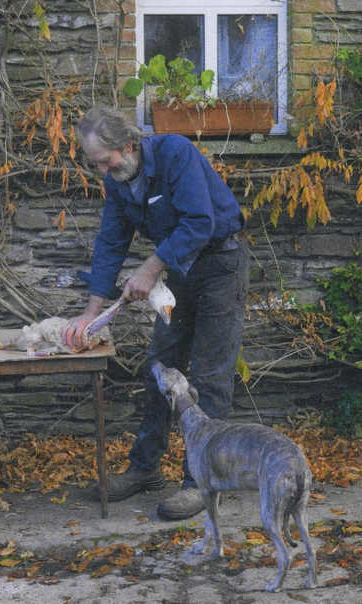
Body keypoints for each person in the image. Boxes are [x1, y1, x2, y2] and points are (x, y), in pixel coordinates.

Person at [62, 106, 249, 520]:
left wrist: (150, 268)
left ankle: (201, 482)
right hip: (180, 271)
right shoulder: (119, 181)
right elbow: (111, 241)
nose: (102, 171)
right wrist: (90, 312)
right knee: (159, 370)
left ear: (128, 146)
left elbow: (199, 223)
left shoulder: (175, 154)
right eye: (95, 165)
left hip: (221, 264)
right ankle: (145, 469)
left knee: (209, 376)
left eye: (104, 161)